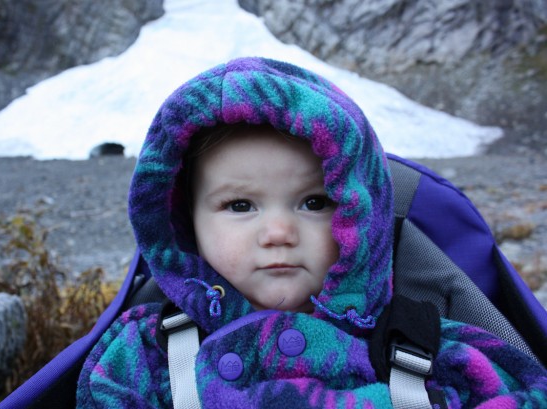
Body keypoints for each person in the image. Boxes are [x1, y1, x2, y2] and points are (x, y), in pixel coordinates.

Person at [77, 57, 547, 408]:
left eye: (315, 203)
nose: (279, 231)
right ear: (184, 224)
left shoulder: (434, 349)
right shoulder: (143, 355)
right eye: (240, 205)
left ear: (363, 218)